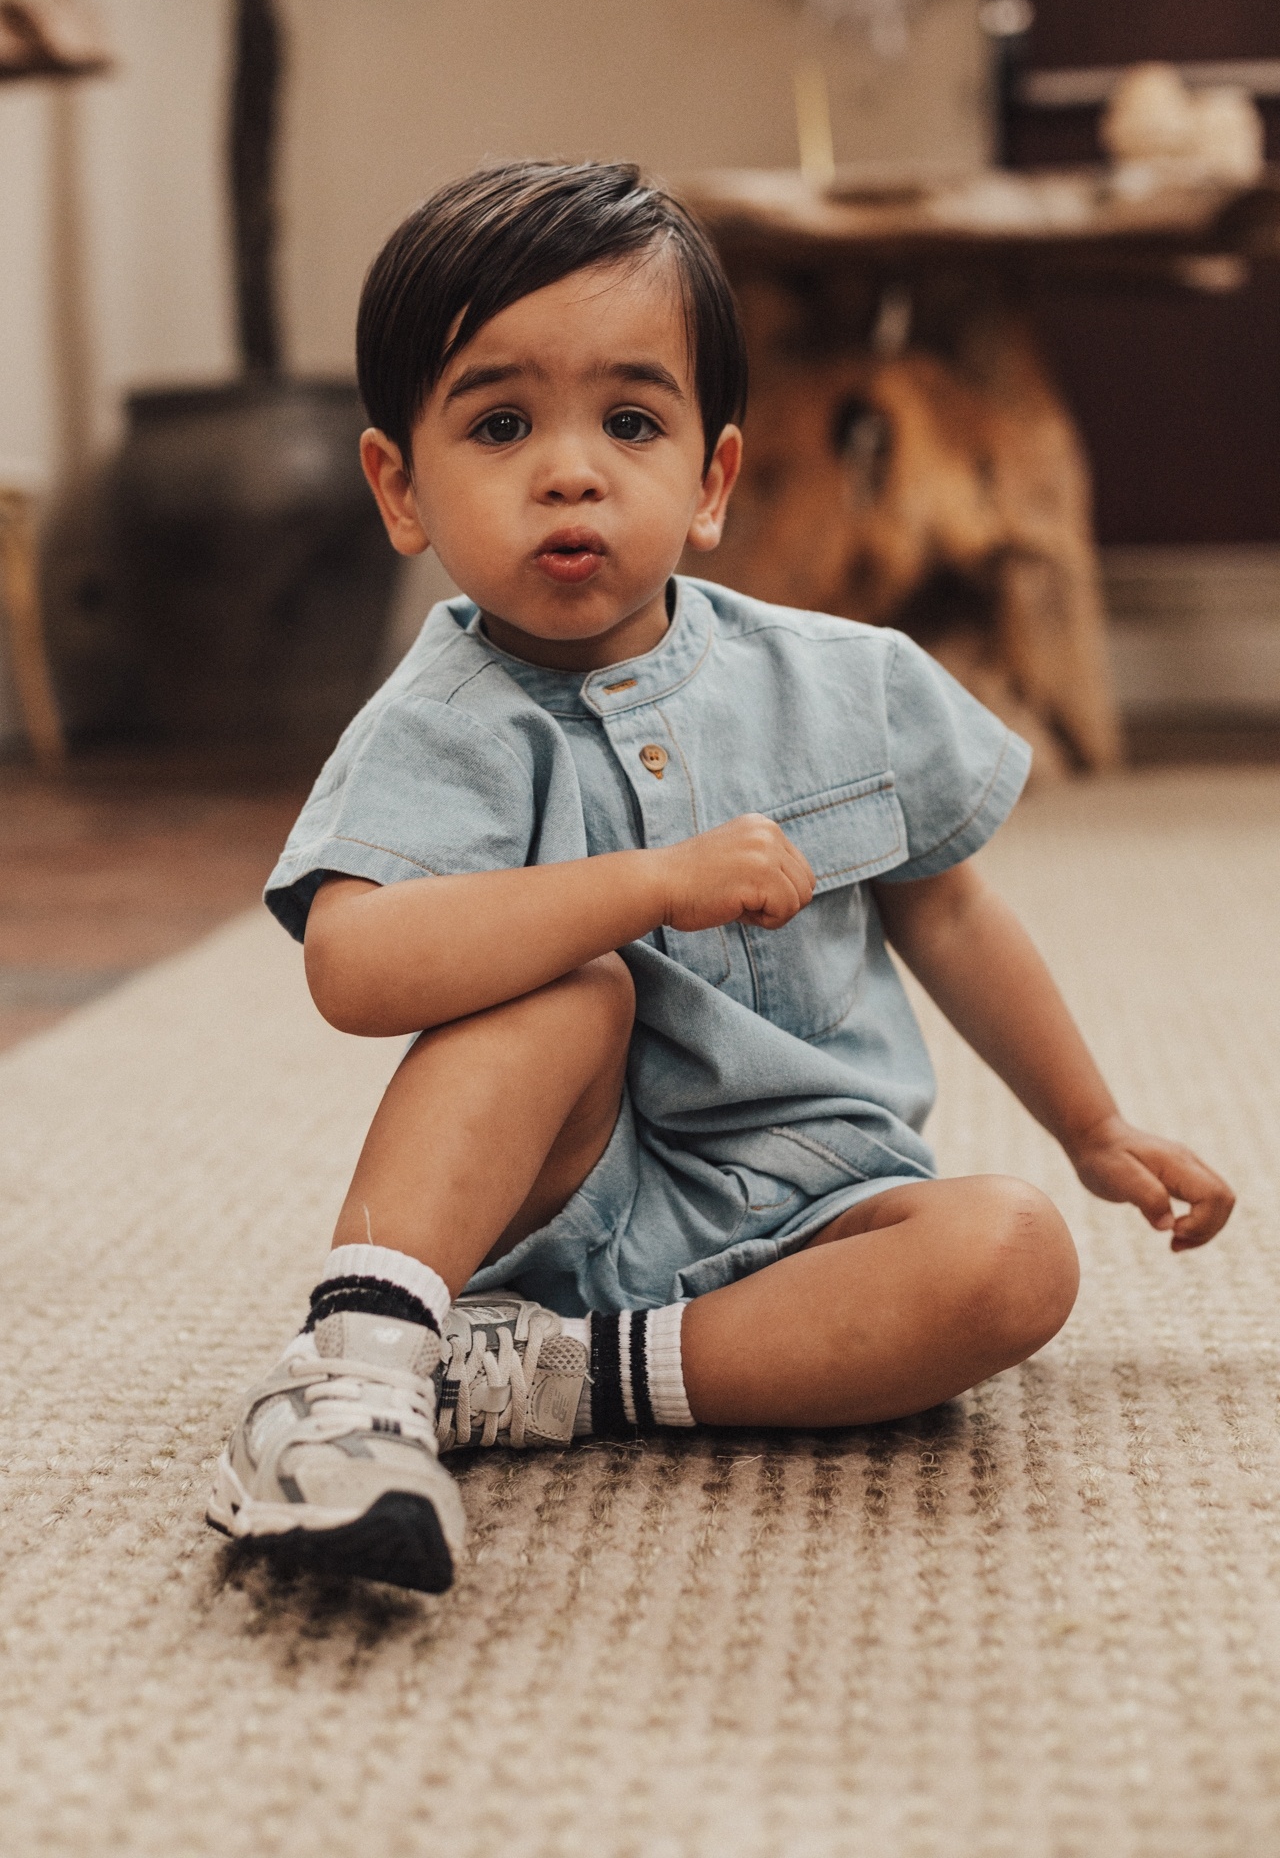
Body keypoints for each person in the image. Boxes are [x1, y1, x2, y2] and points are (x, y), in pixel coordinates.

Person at [207, 161, 1235, 1595]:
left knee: (1012, 1258)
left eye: (631, 422)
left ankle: (559, 1377)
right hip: (565, 1199)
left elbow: (950, 908)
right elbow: (355, 965)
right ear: (401, 489)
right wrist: (644, 887)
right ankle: (358, 1364)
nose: (571, 471)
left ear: (711, 482)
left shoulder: (847, 683)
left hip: (819, 1213)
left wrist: (1094, 1120)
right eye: (500, 424)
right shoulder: (439, 722)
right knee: (567, 991)